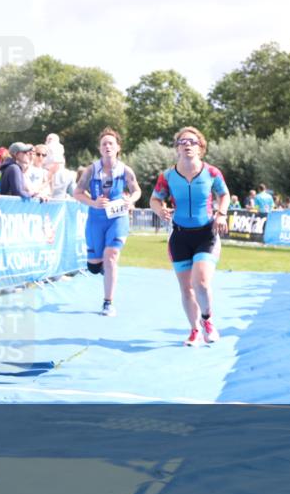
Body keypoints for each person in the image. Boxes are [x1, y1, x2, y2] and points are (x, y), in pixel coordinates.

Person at [150, 126, 230, 347]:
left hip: (207, 234)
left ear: (200, 147)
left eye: (192, 142)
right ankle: (194, 330)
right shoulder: (167, 176)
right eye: (182, 141)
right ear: (176, 148)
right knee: (186, 288)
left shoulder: (211, 172)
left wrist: (221, 214)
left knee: (201, 282)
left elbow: (224, 194)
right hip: (180, 237)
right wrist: (160, 210)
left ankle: (207, 320)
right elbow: (154, 200)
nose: (187, 145)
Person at [73, 128, 140, 316]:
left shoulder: (125, 170)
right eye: (104, 144)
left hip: (118, 218)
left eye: (111, 143)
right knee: (94, 267)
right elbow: (77, 193)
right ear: (99, 149)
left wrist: (131, 199)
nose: (107, 146)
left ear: (118, 147)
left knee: (111, 255)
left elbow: (137, 190)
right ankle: (101, 267)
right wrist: (93, 202)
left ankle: (108, 302)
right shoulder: (91, 170)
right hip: (96, 219)